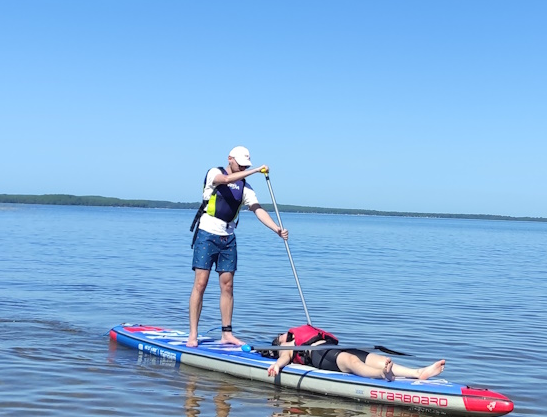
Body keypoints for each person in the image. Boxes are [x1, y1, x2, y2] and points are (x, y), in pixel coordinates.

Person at [188, 146, 288, 347]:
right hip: (207, 233)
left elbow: (257, 210)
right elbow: (224, 181)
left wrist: (276, 229)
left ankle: (227, 333)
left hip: (228, 238)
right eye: (240, 163)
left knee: (228, 285)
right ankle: (193, 334)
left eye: (246, 165)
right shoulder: (215, 173)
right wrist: (256, 170)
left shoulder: (245, 188)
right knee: (201, 283)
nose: (242, 167)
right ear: (230, 159)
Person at [262, 324, 446, 382]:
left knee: (377, 358)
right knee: (351, 361)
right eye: (281, 335)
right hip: (318, 355)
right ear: (281, 341)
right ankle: (381, 374)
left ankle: (417, 372)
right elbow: (285, 357)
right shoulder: (287, 345)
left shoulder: (300, 334)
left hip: (329, 348)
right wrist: (277, 366)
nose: (284, 333)